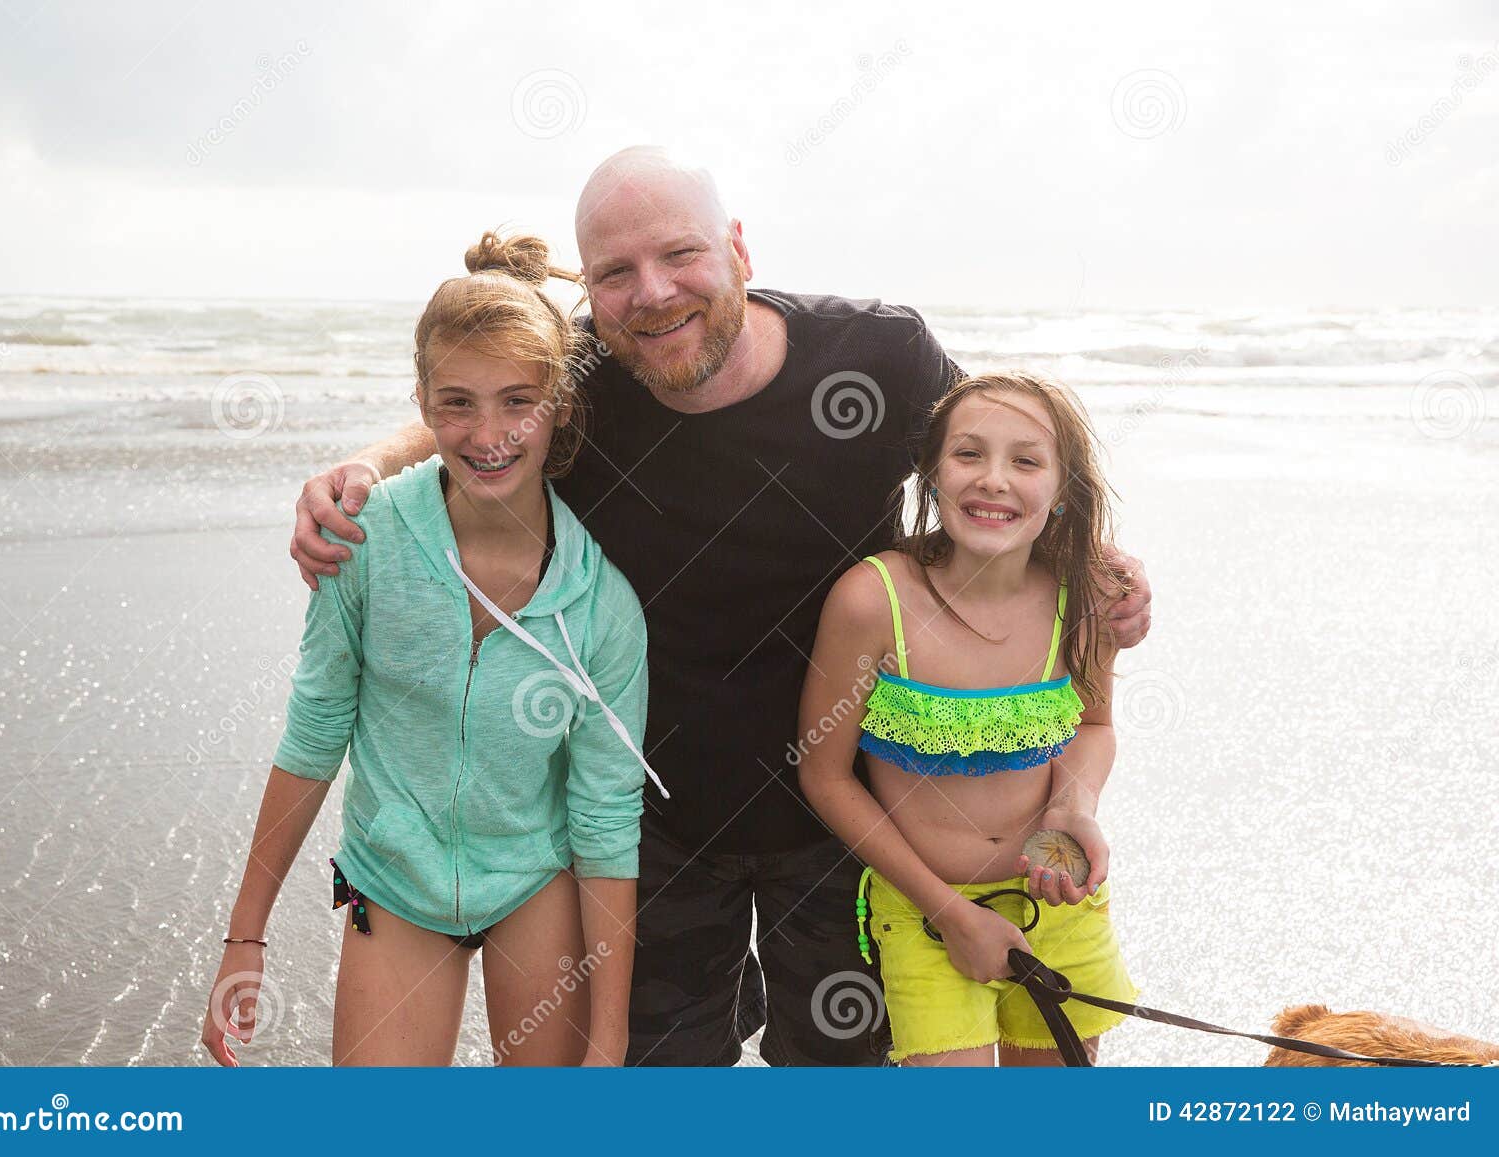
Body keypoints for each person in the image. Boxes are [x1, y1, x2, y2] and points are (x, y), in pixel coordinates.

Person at [288, 147, 1154, 1065]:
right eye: (615, 273)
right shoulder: (589, 383)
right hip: (659, 824)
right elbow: (485, 408)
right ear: (590, 290)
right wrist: (367, 468)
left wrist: (1090, 560)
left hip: (848, 823)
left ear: (740, 250)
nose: (652, 293)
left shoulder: (877, 356)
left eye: (679, 255)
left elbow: (1001, 445)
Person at [202, 232, 656, 1067]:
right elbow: (313, 737)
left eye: (518, 400)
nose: (489, 435)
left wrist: (609, 1043)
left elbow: (603, 820)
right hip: (396, 878)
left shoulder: (603, 607)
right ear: (419, 400)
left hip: (537, 881)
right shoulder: (364, 544)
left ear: (558, 400)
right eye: (457, 403)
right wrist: (245, 937)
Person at [798, 371, 1139, 1065]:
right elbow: (824, 775)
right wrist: (951, 914)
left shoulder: (1084, 599)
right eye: (968, 454)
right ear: (930, 475)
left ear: (1062, 492)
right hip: (927, 915)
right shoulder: (874, 600)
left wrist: (1073, 807)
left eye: (1026, 460)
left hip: (1058, 901)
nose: (994, 479)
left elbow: (1095, 725)